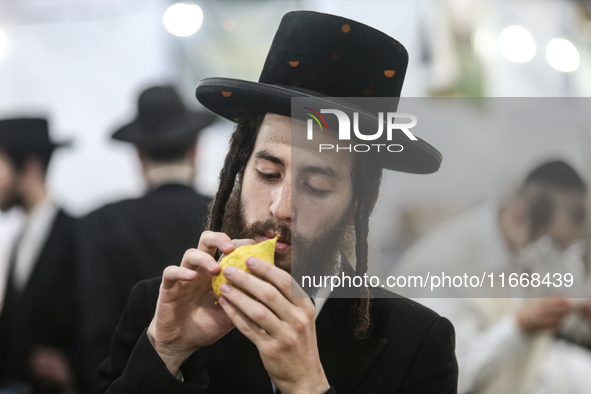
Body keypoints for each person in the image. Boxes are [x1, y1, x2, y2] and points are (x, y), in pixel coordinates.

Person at [98, 11, 458, 394]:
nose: (281, 207)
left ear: (358, 202)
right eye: (268, 174)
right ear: (240, 168)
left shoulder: (418, 342)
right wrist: (168, 351)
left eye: (316, 186)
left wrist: (307, 384)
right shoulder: (158, 310)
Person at [392, 160, 591, 394]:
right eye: (557, 246)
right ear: (519, 215)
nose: (563, 261)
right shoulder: (440, 268)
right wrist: (519, 327)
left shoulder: (530, 241)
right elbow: (451, 376)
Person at [77, 85, 216, 391]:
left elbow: (97, 329)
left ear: (138, 155)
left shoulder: (99, 223)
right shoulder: (222, 217)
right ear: (195, 148)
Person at [0, 118, 80, 393]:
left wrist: (73, 366)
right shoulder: (19, 239)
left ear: (29, 168)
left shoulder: (77, 235)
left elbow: (98, 317)